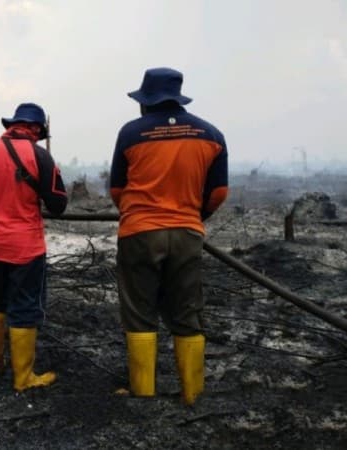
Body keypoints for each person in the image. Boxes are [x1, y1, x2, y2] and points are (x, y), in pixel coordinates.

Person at [109, 67, 228, 405]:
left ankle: (143, 393)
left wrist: (136, 212)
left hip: (139, 233)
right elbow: (218, 192)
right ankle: (192, 395)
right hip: (188, 232)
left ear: (145, 102)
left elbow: (118, 189)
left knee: (140, 311)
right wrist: (193, 216)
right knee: (187, 312)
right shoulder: (212, 134)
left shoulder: (131, 133)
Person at [0, 102, 67, 392]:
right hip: (25, 246)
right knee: (24, 307)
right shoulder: (40, 156)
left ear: (13, 124)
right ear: (36, 129)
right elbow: (59, 205)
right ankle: (23, 378)